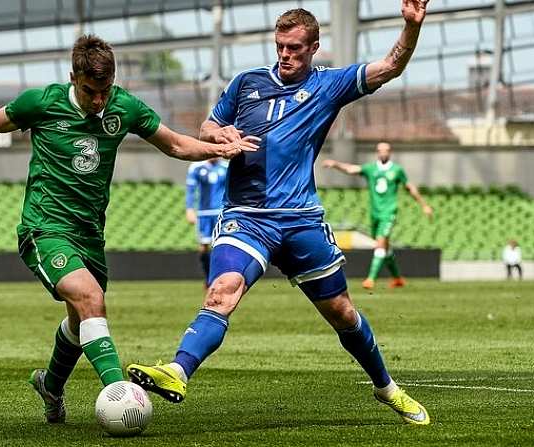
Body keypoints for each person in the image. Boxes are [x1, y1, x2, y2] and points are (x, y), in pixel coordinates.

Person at [127, 3, 432, 426]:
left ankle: (386, 387)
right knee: (221, 292)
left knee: (342, 312)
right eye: (279, 46)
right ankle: (178, 371)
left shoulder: (331, 85)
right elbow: (206, 128)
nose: (285, 55)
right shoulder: (246, 82)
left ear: (314, 48)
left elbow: (391, 66)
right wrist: (222, 135)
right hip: (246, 216)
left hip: (301, 220)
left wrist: (410, 26)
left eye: (294, 48)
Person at [0, 35, 258, 424]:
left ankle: (50, 386)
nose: (99, 101)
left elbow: (173, 145)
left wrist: (218, 150)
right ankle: (123, 397)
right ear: (73, 77)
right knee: (91, 300)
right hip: (45, 227)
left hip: (90, 234)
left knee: (78, 319)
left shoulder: (125, 107)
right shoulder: (42, 102)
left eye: (105, 90)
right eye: (90, 91)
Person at [322, 141, 433, 289]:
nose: (383, 153)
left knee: (380, 243)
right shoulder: (371, 168)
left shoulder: (397, 170)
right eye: (380, 150)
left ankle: (370, 279)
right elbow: (351, 169)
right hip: (375, 214)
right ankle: (398, 278)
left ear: (390, 152)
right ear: (377, 152)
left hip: (389, 212)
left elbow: (409, 187)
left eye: (386, 150)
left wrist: (424, 205)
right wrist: (335, 164)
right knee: (384, 247)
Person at [185, 158, 228, 283]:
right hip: (204, 213)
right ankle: (208, 278)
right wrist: (189, 209)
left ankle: (221, 278)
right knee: (204, 247)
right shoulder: (196, 167)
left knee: (221, 245)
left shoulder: (226, 167)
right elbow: (190, 190)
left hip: (221, 212)